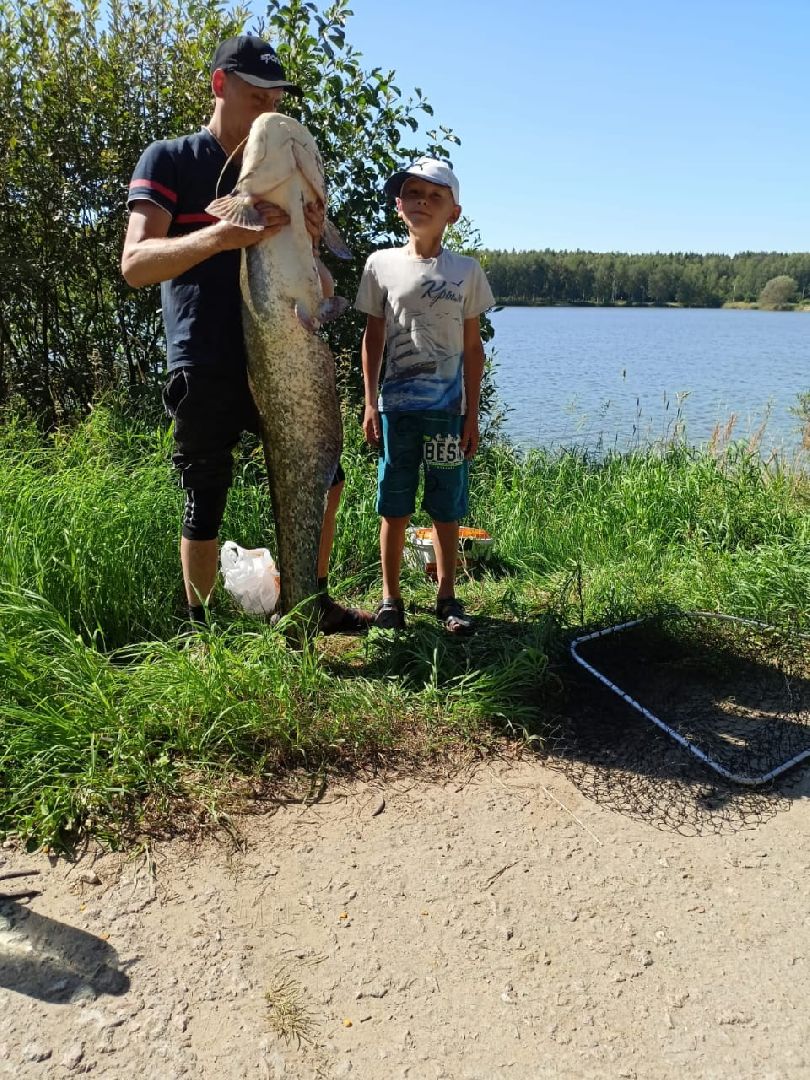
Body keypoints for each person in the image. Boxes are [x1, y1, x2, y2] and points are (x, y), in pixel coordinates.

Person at [121, 35, 369, 633]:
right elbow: (134, 264)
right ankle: (199, 629)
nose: (267, 109)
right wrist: (219, 237)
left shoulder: (280, 166)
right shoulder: (171, 159)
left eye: (275, 98)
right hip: (205, 353)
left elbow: (320, 282)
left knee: (325, 475)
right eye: (255, 96)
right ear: (218, 86)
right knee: (205, 489)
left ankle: (311, 599)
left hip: (285, 345)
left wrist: (312, 239)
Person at [356, 158, 495, 634]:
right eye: (412, 194)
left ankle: (447, 598)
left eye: (434, 196)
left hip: (446, 414)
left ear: (453, 212)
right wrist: (371, 402)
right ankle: (390, 599)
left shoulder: (467, 272)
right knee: (393, 504)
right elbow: (373, 339)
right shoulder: (380, 265)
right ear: (398, 206)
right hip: (396, 412)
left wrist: (471, 415)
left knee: (446, 504)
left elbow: (473, 347)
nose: (422, 202)